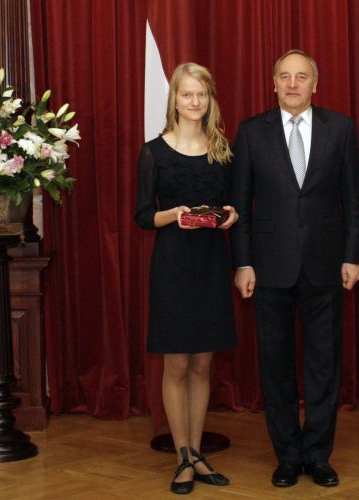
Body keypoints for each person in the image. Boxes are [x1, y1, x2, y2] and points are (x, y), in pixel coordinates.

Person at [231, 49, 359, 488]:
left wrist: (353, 255)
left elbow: (354, 200)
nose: (292, 84)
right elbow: (241, 206)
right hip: (268, 267)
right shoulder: (251, 132)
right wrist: (243, 262)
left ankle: (319, 456)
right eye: (285, 76)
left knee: (324, 365)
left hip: (326, 264)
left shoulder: (340, 129)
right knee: (276, 366)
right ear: (273, 83)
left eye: (301, 76)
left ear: (315, 84)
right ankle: (288, 456)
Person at [135, 62, 237, 495]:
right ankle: (181, 456)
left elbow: (233, 205)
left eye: (201, 94)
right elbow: (143, 216)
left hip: (212, 263)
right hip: (173, 264)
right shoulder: (153, 152)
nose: (194, 101)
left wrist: (232, 215)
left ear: (209, 100)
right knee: (176, 363)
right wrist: (172, 215)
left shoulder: (223, 151)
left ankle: (196, 453)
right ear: (174, 99)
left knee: (202, 363)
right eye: (187, 94)